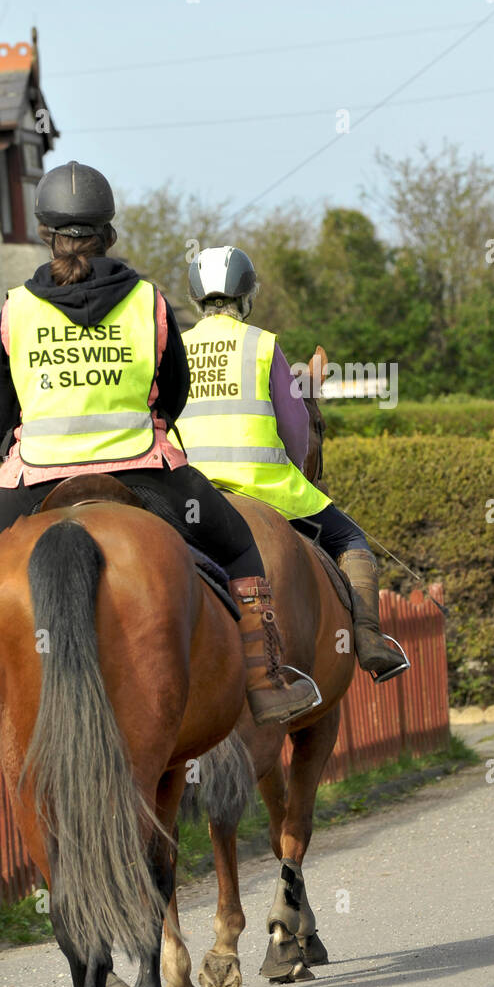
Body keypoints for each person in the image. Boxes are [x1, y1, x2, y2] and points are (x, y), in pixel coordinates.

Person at [0, 165, 319, 765]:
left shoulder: (16, 308)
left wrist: (24, 445)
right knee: (238, 547)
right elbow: (173, 393)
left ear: (47, 233)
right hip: (143, 471)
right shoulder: (148, 301)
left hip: (36, 475)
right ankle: (266, 683)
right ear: (109, 232)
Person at [174, 245, 410, 684]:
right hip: (267, 488)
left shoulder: (176, 346)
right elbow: (296, 422)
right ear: (247, 296)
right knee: (351, 538)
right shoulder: (262, 345)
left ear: (195, 300)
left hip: (192, 497)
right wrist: (295, 463)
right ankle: (371, 640)